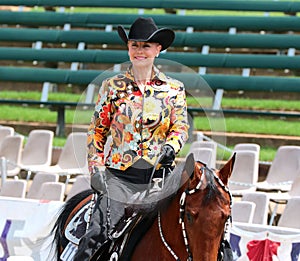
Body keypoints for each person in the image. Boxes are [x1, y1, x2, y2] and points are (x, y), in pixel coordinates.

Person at [73, 17, 189, 260]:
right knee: (97, 232)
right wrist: (96, 169)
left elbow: (180, 127)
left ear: (158, 50)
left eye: (146, 46)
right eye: (135, 45)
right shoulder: (111, 87)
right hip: (119, 177)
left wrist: (172, 146)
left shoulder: (174, 89)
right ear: (128, 48)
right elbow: (96, 131)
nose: (140, 51)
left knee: (195, 224)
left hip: (159, 178)